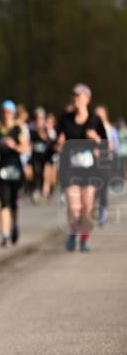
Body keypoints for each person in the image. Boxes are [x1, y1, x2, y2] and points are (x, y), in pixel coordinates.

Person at [55, 84, 106, 252]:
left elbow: (106, 145)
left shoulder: (95, 120)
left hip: (90, 169)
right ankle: (73, 232)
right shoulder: (65, 119)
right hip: (70, 169)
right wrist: (59, 144)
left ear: (87, 99)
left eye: (79, 95)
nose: (76, 98)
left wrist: (96, 139)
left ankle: (83, 239)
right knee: (74, 208)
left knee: (87, 206)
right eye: (74, 95)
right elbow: (56, 142)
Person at [0, 101, 30, 247]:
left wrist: (13, 145)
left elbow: (25, 148)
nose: (6, 115)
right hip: (1, 169)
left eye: (8, 112)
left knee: (13, 203)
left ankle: (14, 225)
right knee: (4, 202)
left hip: (15, 169)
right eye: (3, 112)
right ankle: (5, 235)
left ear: (13, 113)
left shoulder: (17, 130)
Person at [93, 105, 118, 228]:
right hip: (92, 163)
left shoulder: (111, 129)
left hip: (106, 162)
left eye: (101, 113)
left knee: (103, 189)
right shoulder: (91, 128)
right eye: (97, 114)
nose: (99, 116)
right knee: (93, 188)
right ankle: (93, 207)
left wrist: (111, 147)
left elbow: (116, 146)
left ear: (105, 115)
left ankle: (102, 213)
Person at [28, 107, 54, 204]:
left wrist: (44, 134)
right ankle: (36, 190)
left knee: (46, 174)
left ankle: (46, 191)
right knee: (35, 172)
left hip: (46, 157)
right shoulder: (30, 131)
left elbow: (52, 143)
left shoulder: (48, 130)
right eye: (37, 118)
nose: (39, 121)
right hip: (34, 157)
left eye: (41, 118)